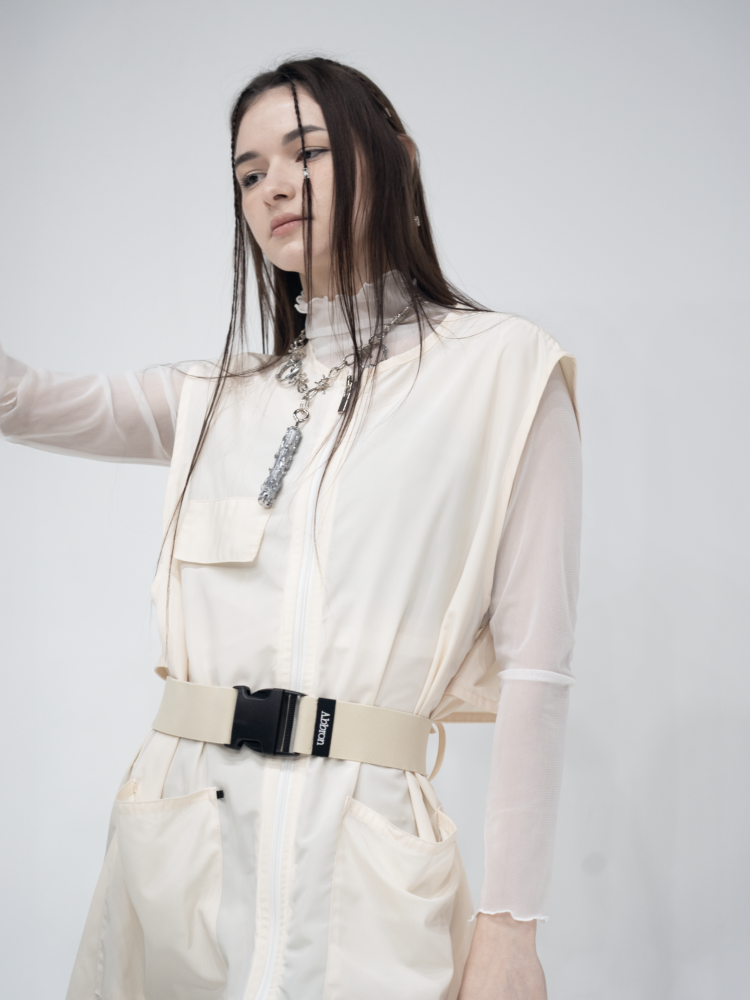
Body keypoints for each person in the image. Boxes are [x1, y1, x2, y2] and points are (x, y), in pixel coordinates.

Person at [0, 57, 581, 1000]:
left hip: (365, 858)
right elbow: (20, 399)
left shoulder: (505, 372)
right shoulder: (212, 400)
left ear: (396, 158)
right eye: (248, 172)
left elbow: (537, 670)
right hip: (182, 841)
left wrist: (511, 928)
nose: (272, 185)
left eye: (305, 152)